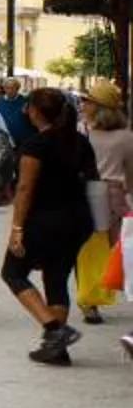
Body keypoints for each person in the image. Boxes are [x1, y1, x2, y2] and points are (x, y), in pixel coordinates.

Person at [2, 85, 102, 365]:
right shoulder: (80, 141)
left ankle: (55, 330)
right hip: (78, 218)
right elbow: (93, 179)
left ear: (35, 112)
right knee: (57, 277)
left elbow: (25, 188)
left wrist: (17, 229)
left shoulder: (36, 145)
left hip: (45, 219)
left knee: (13, 272)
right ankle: (57, 350)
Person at [80, 89, 129, 328]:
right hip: (115, 195)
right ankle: (94, 296)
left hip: (89, 191)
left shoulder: (84, 134)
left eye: (87, 101)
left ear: (99, 107)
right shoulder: (126, 136)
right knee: (113, 247)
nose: (82, 104)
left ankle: (91, 300)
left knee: (89, 247)